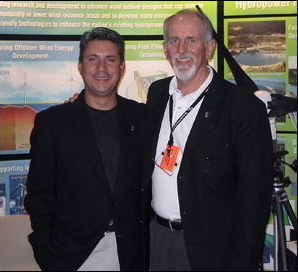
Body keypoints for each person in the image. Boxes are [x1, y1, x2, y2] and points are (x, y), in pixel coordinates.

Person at [142, 10, 273, 271]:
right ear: (165, 49)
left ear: (210, 47)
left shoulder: (243, 109)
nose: (181, 49)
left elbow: (254, 203)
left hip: (212, 250)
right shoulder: (157, 94)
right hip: (156, 240)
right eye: (173, 40)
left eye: (192, 40)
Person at [24, 27, 147, 271]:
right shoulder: (52, 123)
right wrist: (46, 247)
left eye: (110, 59)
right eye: (93, 59)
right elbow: (39, 194)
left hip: (130, 254)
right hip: (73, 256)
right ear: (80, 66)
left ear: (122, 68)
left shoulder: (142, 118)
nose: (102, 68)